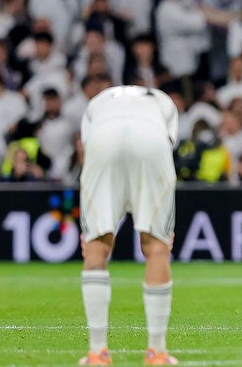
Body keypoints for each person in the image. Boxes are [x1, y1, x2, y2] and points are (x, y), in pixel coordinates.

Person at [79, 85, 178, 365]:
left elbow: (88, 146)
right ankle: (156, 352)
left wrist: (91, 229)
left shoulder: (97, 103)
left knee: (96, 246)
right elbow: (166, 144)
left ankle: (98, 352)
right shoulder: (164, 101)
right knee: (158, 247)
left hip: (102, 138)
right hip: (151, 137)